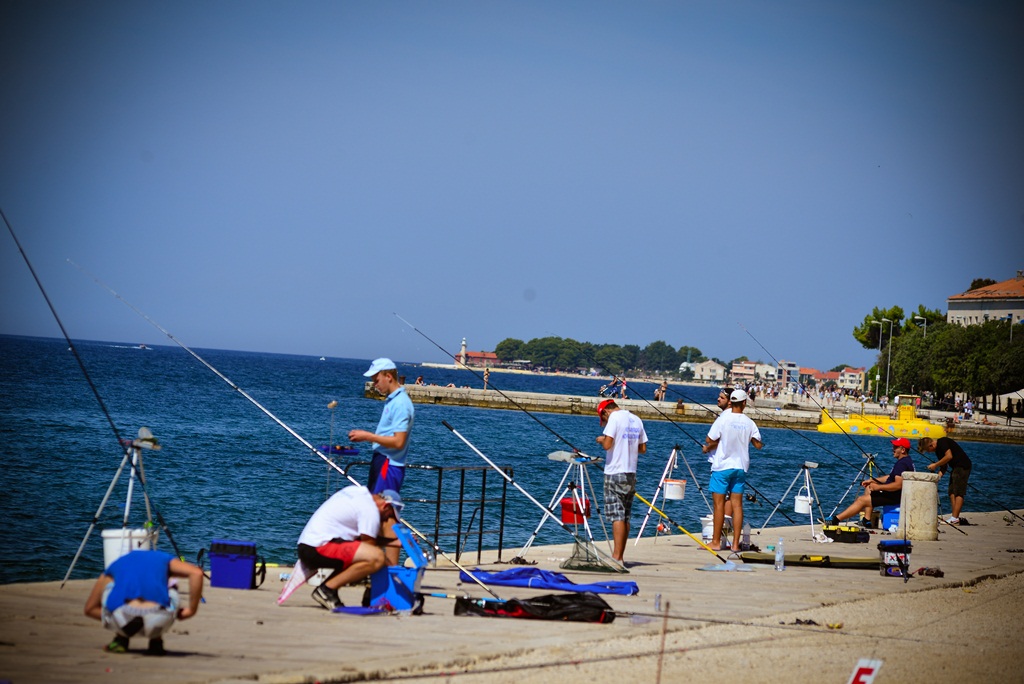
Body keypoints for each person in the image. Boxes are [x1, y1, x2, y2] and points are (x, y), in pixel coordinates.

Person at [296, 485, 404, 610]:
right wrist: (390, 569)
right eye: (389, 516)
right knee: (377, 558)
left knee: (369, 555)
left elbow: (361, 541)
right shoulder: (370, 510)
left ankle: (331, 590)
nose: (386, 520)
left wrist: (393, 542)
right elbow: (369, 549)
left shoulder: (356, 492)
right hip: (317, 549)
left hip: (308, 545)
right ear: (385, 506)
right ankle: (326, 590)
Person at [83, 550, 204, 655]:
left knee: (111, 585)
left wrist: (108, 616)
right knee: (171, 584)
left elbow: (89, 609)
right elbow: (197, 573)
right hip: (160, 620)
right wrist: (191, 610)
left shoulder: (118, 563)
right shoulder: (163, 558)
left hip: (121, 621)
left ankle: (120, 640)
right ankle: (156, 642)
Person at [701, 389, 762, 551]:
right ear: (744, 403)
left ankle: (715, 542)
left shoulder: (723, 419)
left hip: (722, 467)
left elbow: (709, 439)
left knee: (719, 506)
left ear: (731, 402)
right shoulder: (749, 422)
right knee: (737, 506)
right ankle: (735, 544)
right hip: (740, 468)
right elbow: (758, 445)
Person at [349, 358, 415, 495]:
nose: (374, 385)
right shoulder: (393, 400)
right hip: (383, 461)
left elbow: (399, 442)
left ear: (389, 377)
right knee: (376, 508)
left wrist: (367, 436)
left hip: (389, 464)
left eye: (376, 380)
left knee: (382, 510)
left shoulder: (400, 404)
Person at [595, 399, 647, 563]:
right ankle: (621, 556)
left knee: (617, 515)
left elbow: (607, 444)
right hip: (631, 472)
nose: (604, 423)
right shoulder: (636, 419)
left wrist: (601, 439)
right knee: (625, 516)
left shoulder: (614, 418)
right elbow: (643, 449)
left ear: (606, 412)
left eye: (603, 419)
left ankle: (617, 557)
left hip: (615, 471)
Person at [831, 437, 915, 528]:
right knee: (869, 487)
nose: (893, 449)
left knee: (861, 500)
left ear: (903, 450)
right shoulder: (906, 461)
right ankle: (867, 520)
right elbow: (890, 477)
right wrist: (873, 480)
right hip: (895, 494)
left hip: (894, 496)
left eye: (895, 447)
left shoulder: (902, 464)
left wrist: (879, 487)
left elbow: (898, 485)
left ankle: (835, 519)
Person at [920, 436, 972, 524]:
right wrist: (937, 477)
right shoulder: (938, 451)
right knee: (951, 492)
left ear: (931, 445)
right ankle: (954, 516)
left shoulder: (942, 442)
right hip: (955, 468)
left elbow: (949, 456)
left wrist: (935, 465)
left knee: (959, 492)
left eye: (928, 450)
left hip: (963, 466)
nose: (929, 452)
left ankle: (954, 518)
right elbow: (944, 466)